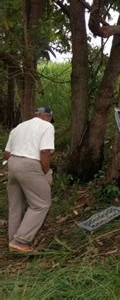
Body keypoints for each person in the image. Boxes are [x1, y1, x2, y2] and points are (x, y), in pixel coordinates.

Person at [3, 106, 55, 253]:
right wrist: (46, 171)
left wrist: (17, 164)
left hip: (13, 163)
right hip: (30, 165)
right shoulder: (47, 126)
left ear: (35, 114)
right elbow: (44, 151)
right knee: (41, 203)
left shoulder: (19, 127)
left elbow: (7, 153)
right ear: (48, 117)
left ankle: (12, 239)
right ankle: (20, 241)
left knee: (15, 205)